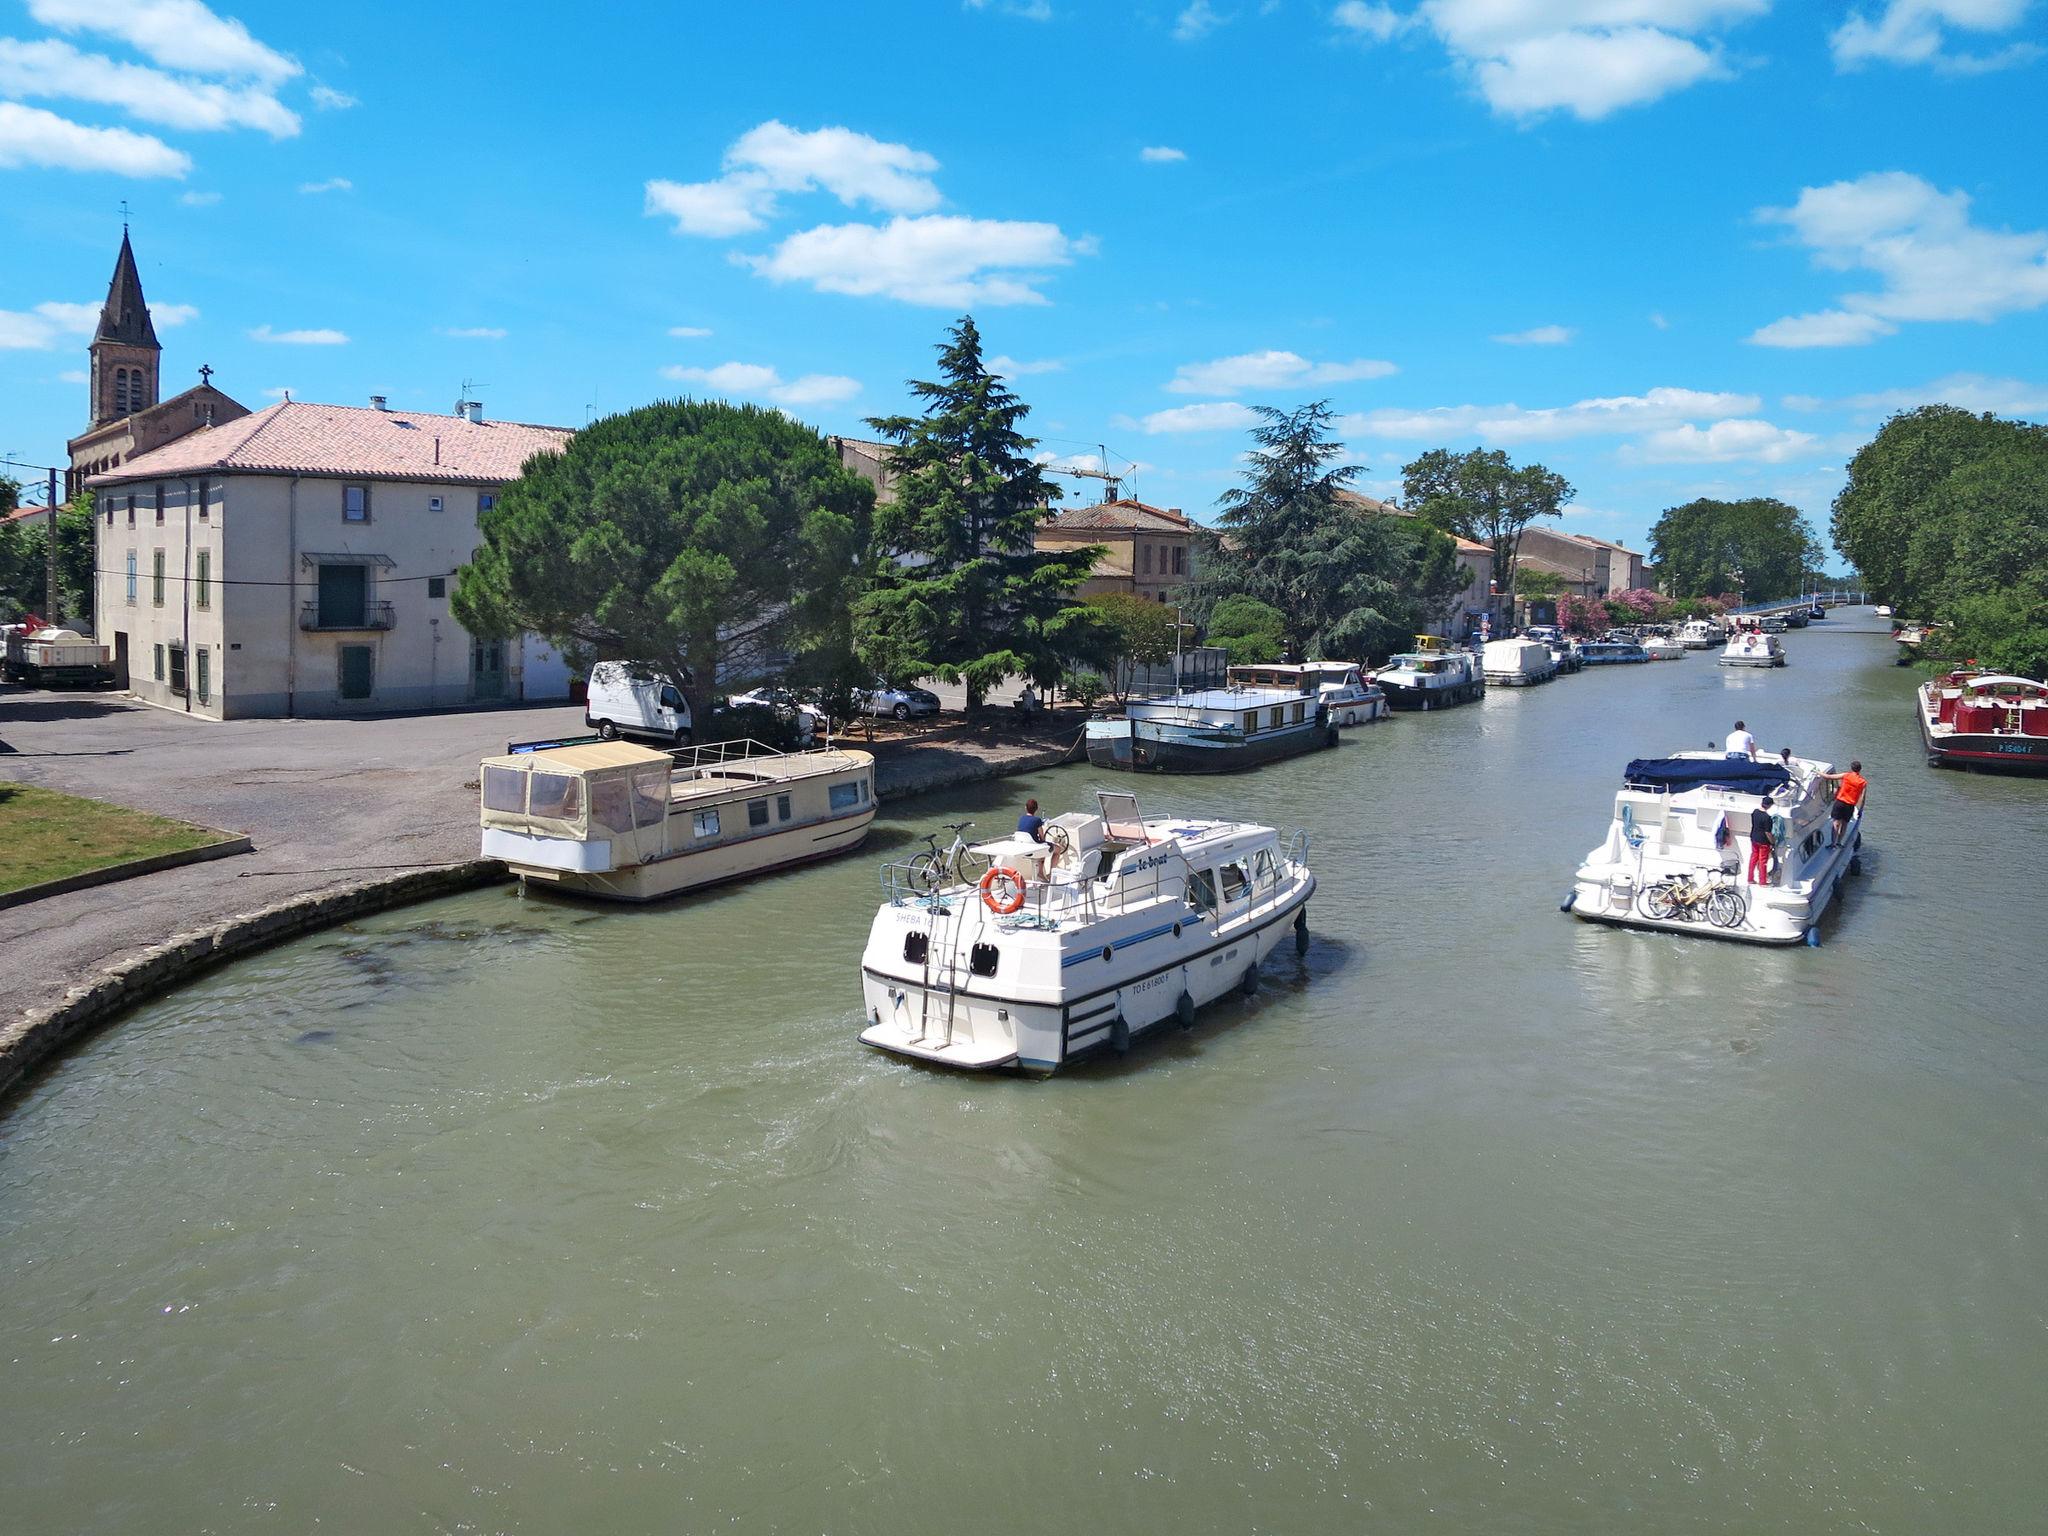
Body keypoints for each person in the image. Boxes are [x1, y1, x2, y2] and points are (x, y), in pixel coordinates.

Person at [1817, 760, 1868, 847]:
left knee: (1836, 823)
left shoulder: (1846, 775)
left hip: (1840, 802)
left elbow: (1828, 776)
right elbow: (1862, 797)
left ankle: (1833, 843)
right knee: (1844, 824)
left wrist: (1817, 772)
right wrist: (1860, 809)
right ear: (1860, 770)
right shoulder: (1863, 782)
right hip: (1850, 805)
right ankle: (1839, 842)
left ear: (1851, 768)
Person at [1747, 795, 1776, 885]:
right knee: (1763, 861)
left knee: (1753, 859)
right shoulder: (1767, 818)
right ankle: (1762, 882)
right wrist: (1773, 842)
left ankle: (1750, 879)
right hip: (1763, 841)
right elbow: (1768, 832)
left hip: (1754, 838)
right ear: (1769, 805)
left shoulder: (1755, 812)